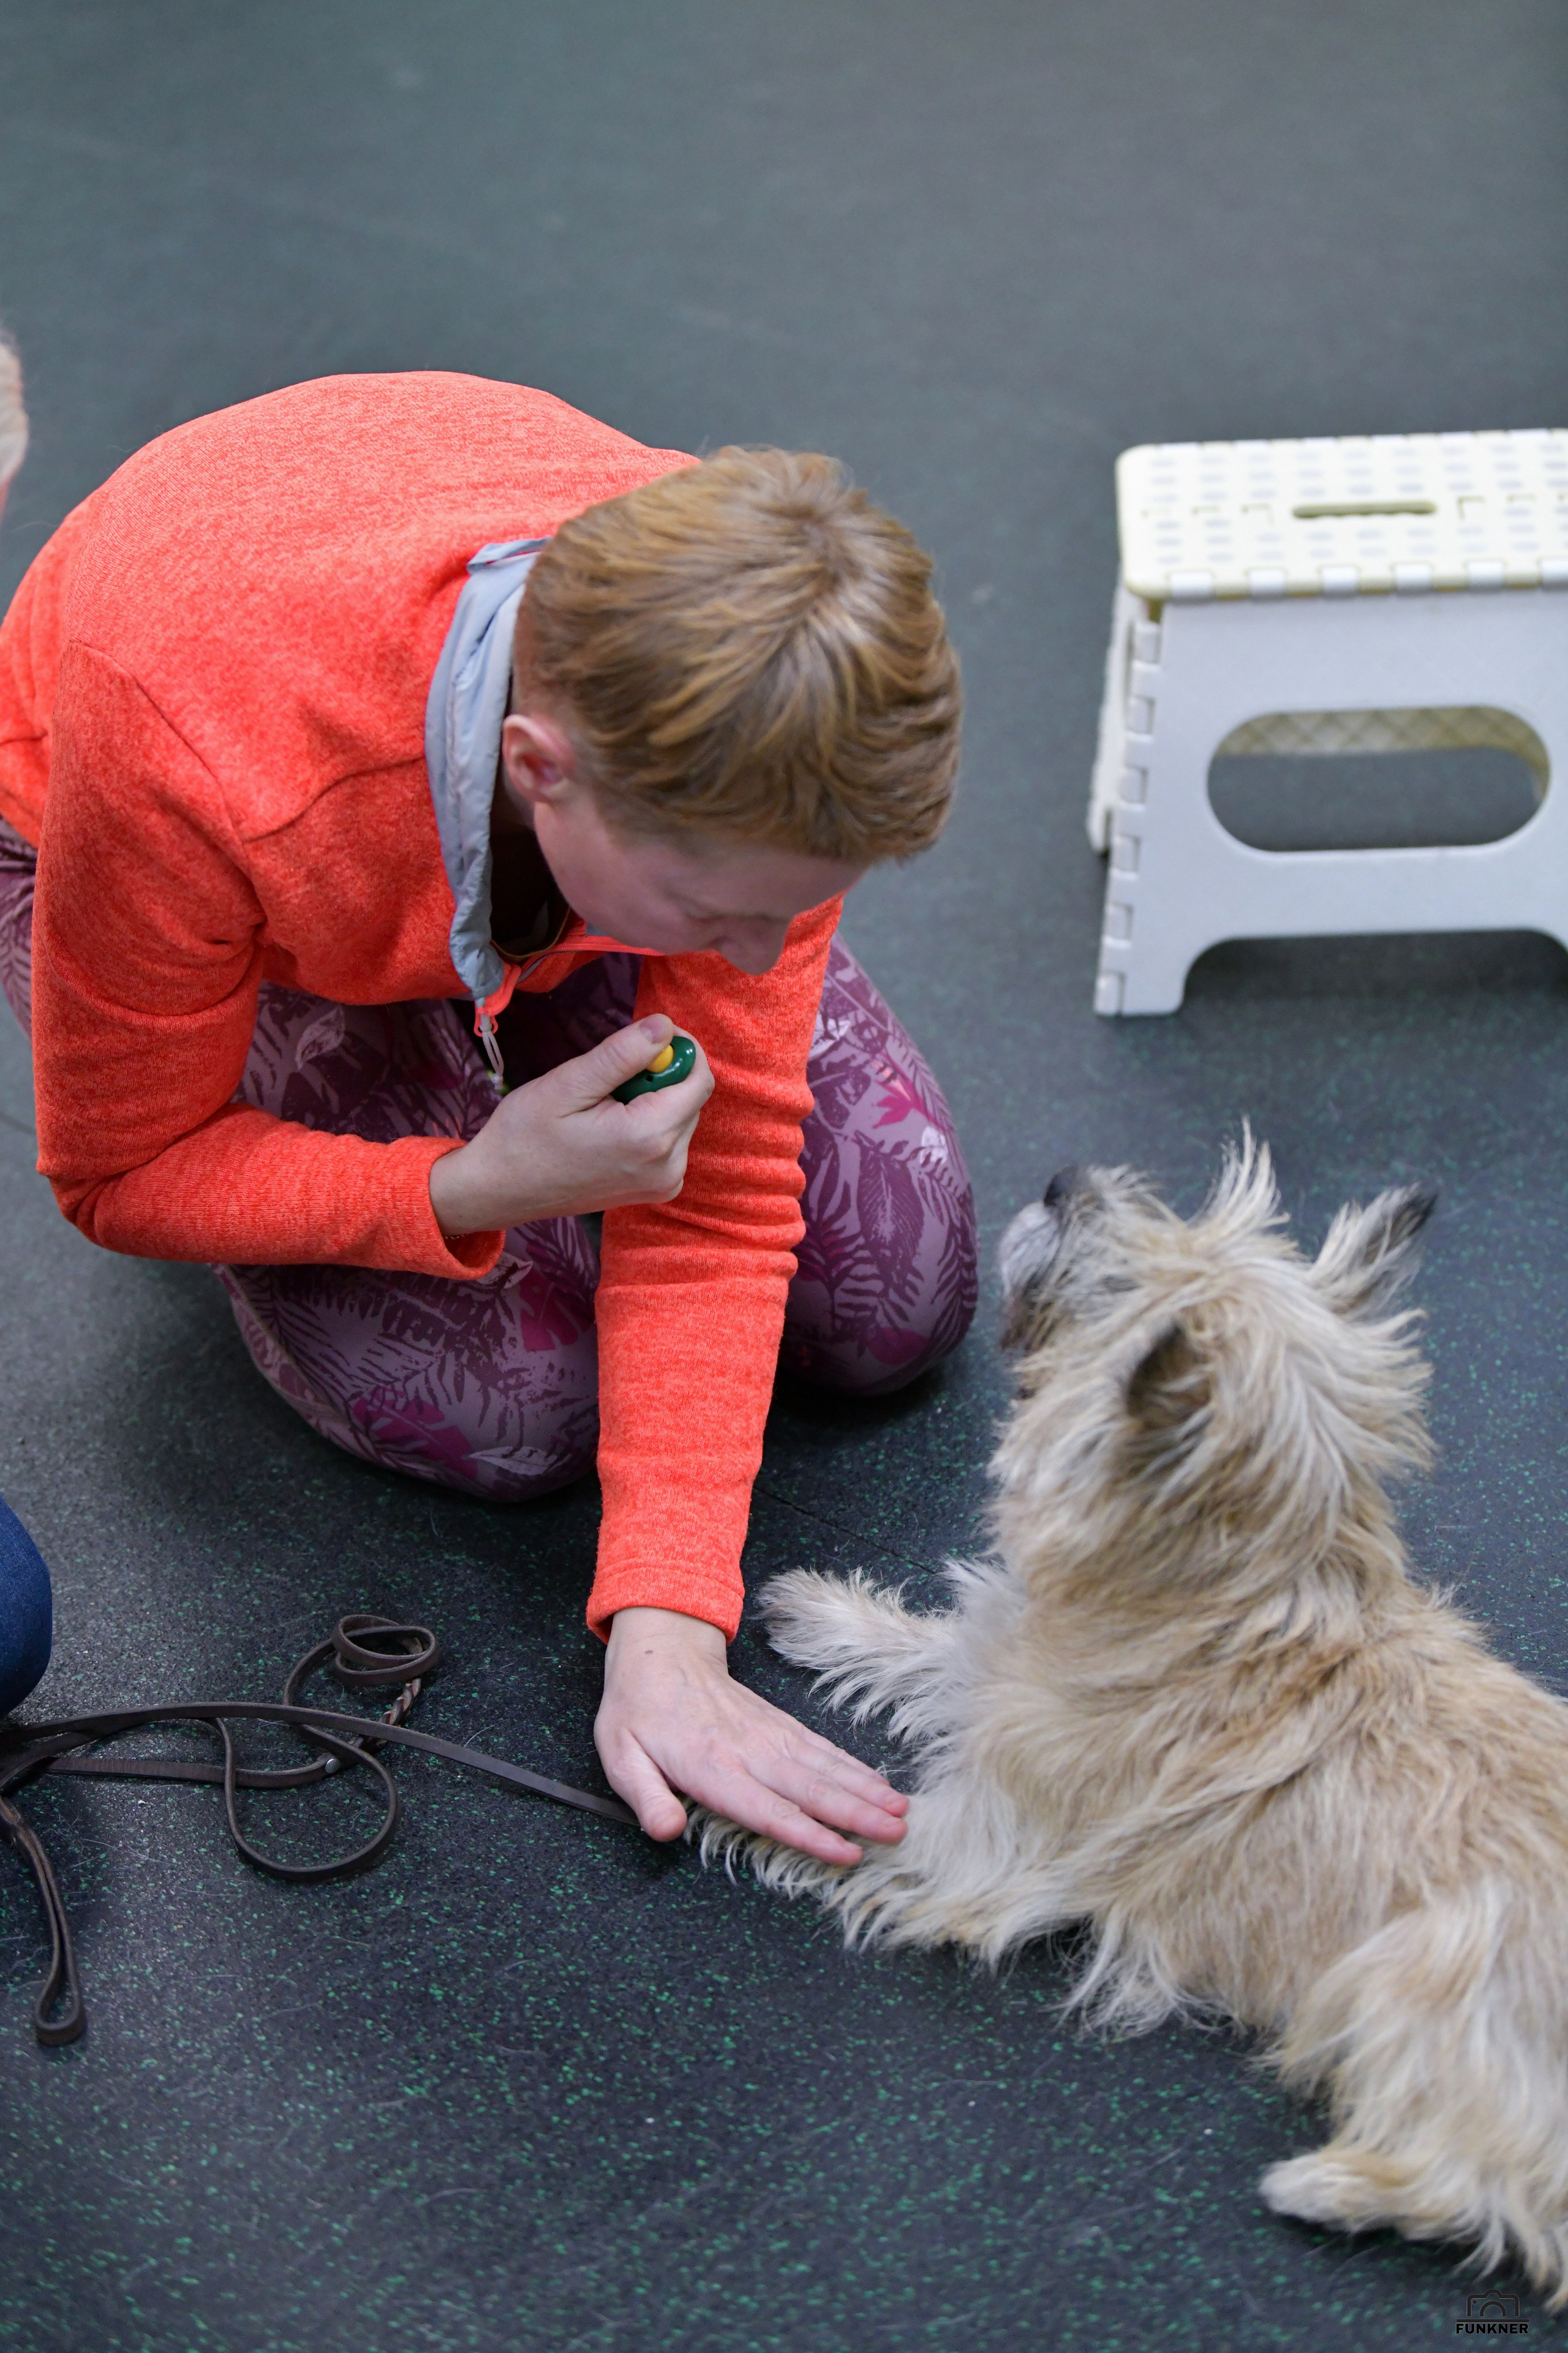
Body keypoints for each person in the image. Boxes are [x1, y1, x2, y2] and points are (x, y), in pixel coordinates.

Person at [0, 369, 975, 1862]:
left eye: (789, 908)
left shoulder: (771, 724)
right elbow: (122, 1172)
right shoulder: (194, 753)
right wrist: (467, 1184)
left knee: (896, 1298)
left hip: (492, 841)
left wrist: (669, 1632)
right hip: (178, 827)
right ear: (542, 772)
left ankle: (548, 966)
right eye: (719, 910)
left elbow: (718, 1188)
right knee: (521, 1411)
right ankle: (414, 1086)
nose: (760, 963)